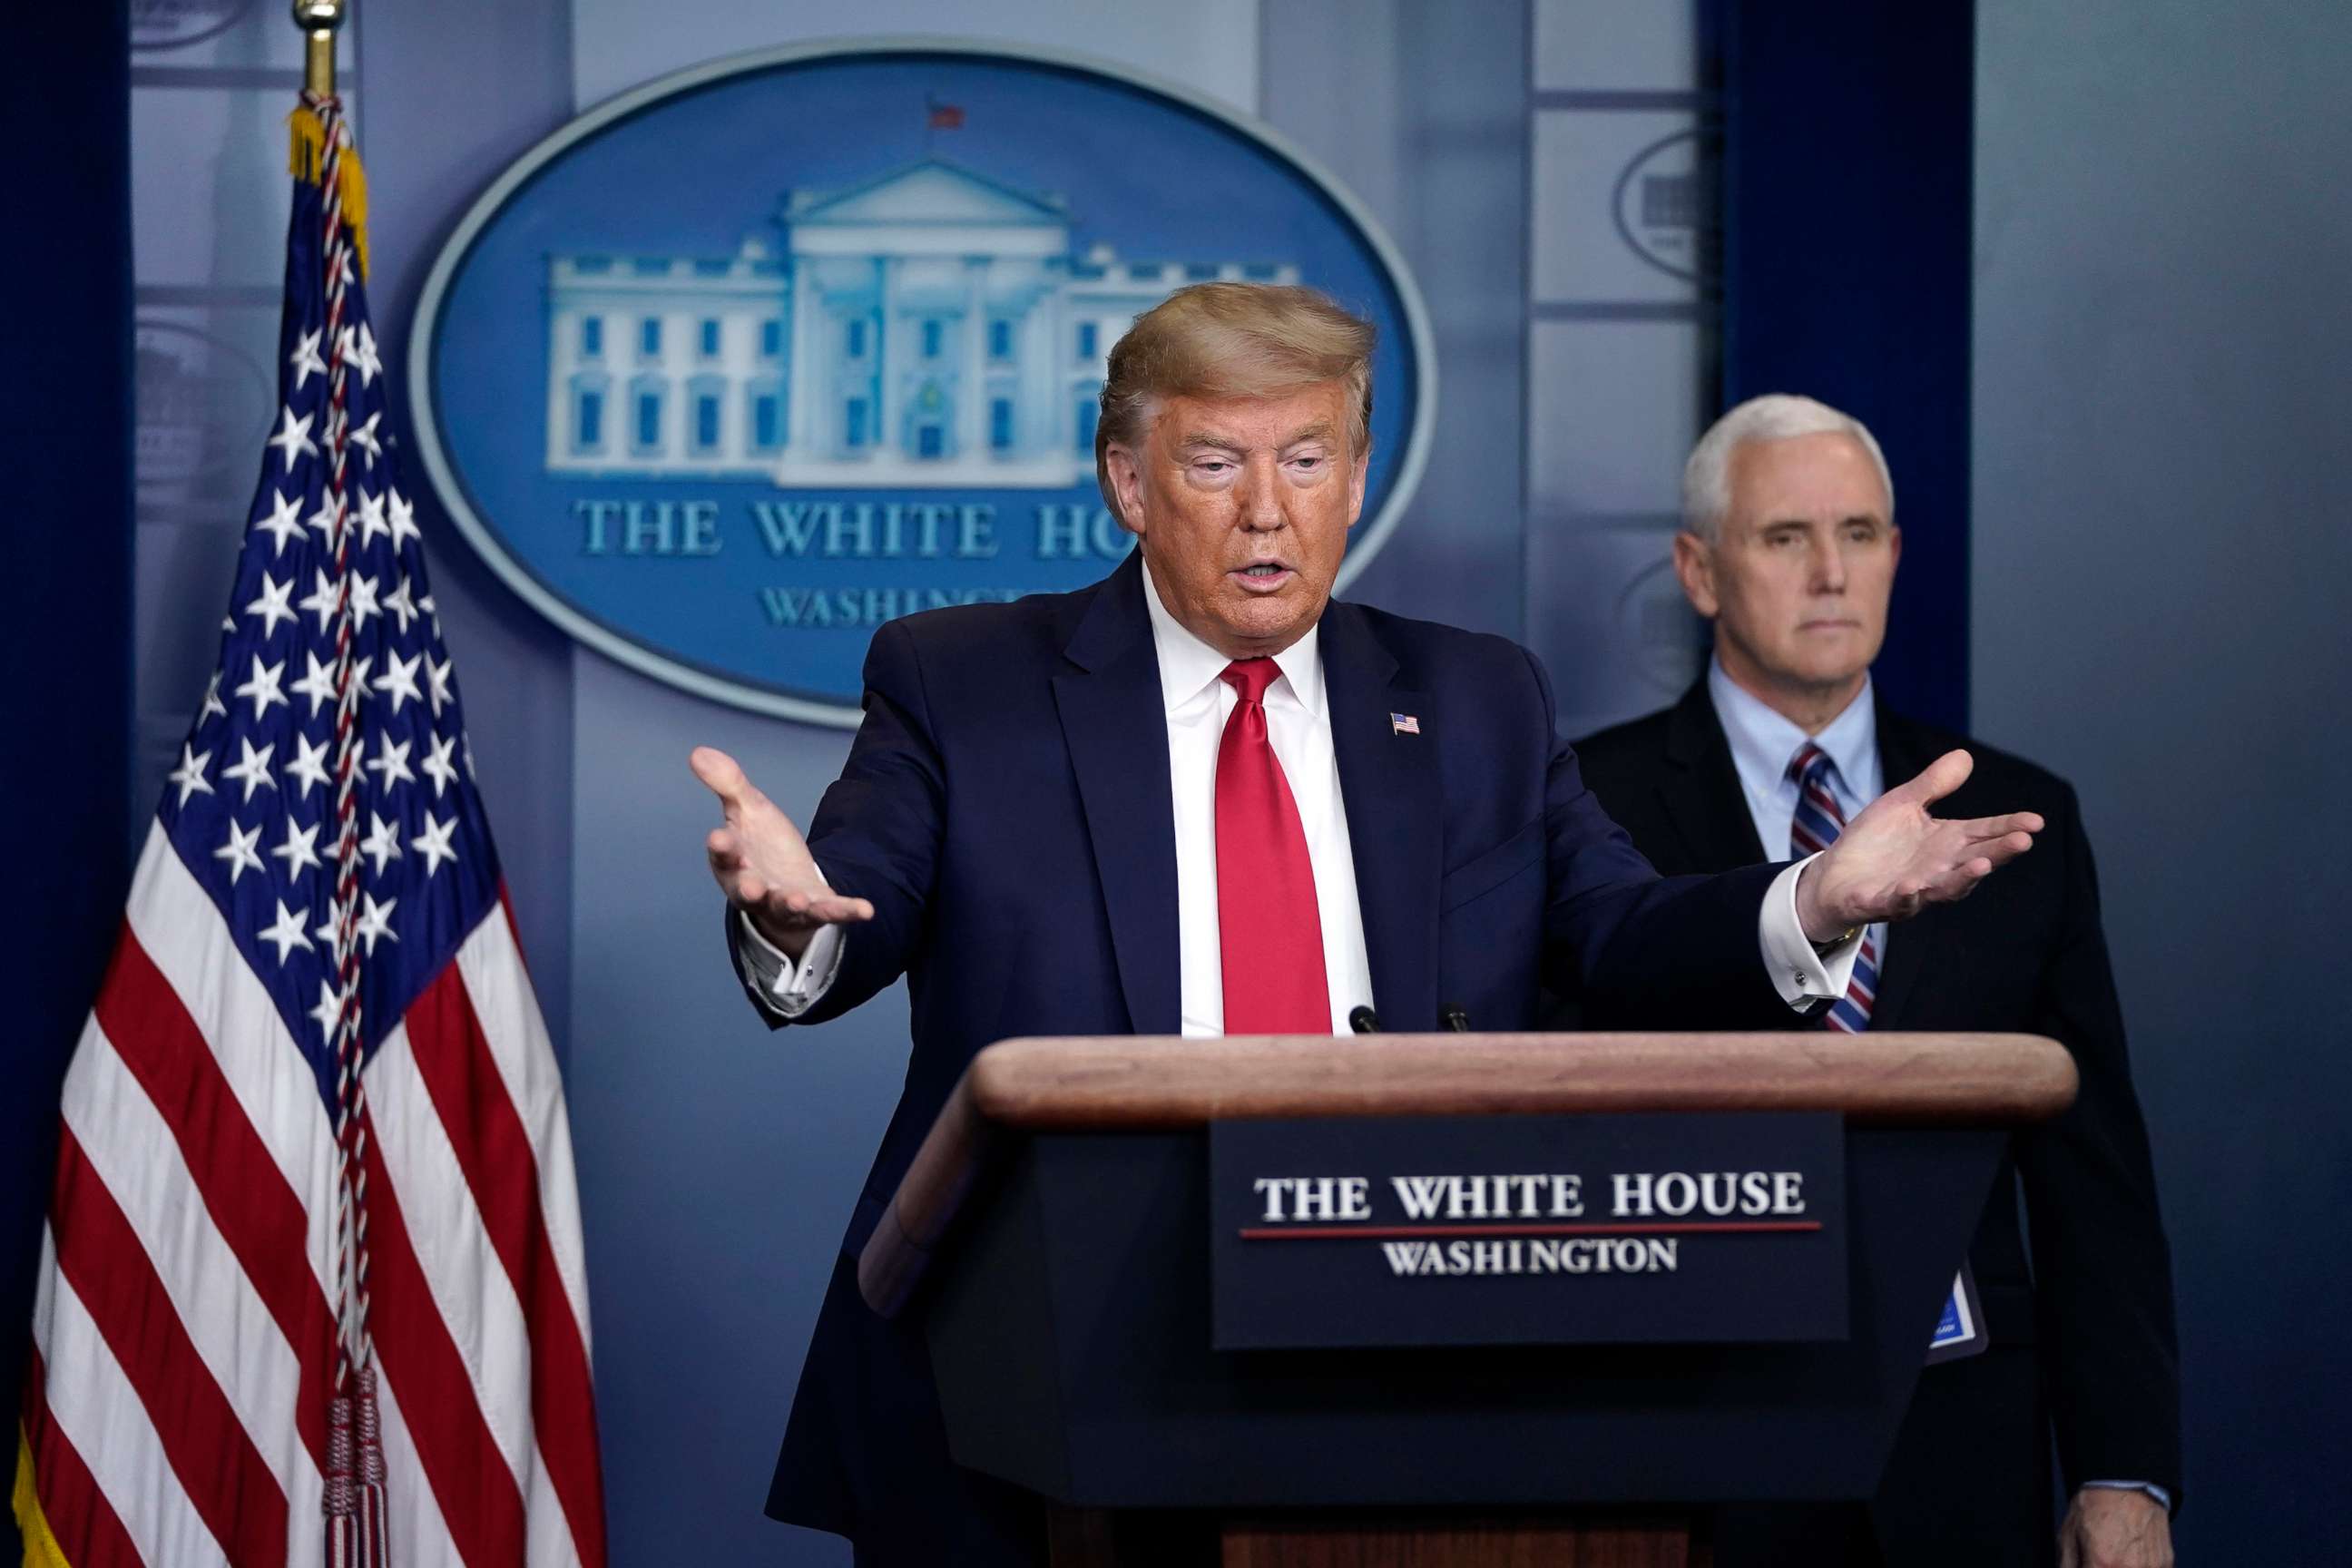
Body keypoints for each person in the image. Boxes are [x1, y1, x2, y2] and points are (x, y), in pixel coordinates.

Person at [691, 288, 2046, 1566]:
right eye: (1217, 465)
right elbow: (847, 915)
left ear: (1357, 475)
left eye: (1308, 460)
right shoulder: (965, 680)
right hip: (1035, 1372)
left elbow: (1622, 933)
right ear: (1128, 482)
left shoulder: (1473, 698)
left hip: (1411, 1347)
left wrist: (1815, 898)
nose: (1267, 513)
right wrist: (784, 910)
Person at [1568, 395, 2180, 1568]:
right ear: (1699, 571)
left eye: (1859, 535)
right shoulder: (1588, 806)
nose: (1831, 573)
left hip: (1957, 1437)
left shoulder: (2014, 820)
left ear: (1897, 556)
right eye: (1784, 538)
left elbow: (2093, 1177)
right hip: (1691, 1435)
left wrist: (2123, 1465)